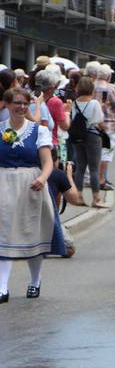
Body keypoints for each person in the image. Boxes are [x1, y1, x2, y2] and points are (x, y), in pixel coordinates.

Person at [0, 88, 58, 304]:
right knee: (3, 235)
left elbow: (47, 161)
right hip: (3, 185)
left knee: (31, 234)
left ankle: (35, 281)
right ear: (6, 104)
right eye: (17, 103)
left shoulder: (38, 131)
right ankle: (2, 287)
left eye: (25, 103)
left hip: (30, 185)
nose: (22, 107)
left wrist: (43, 178)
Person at [70, 77, 107, 208]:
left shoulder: (74, 103)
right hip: (92, 136)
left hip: (77, 136)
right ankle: (96, 198)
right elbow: (99, 122)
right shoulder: (94, 103)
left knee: (80, 167)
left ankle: (79, 196)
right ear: (91, 88)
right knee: (94, 169)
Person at [95, 64, 115, 191]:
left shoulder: (91, 86)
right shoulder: (109, 88)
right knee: (106, 153)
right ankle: (101, 179)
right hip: (109, 124)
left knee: (97, 152)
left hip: (94, 123)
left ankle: (95, 178)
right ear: (107, 75)